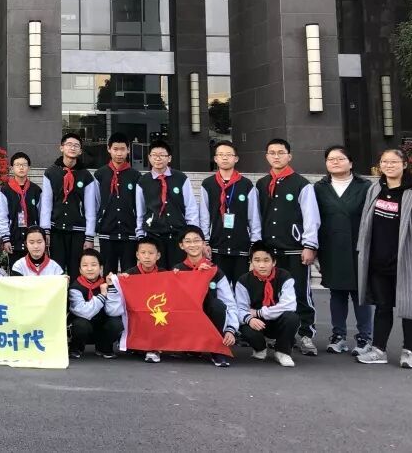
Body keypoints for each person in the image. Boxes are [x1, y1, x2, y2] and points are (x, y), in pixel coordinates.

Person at [356, 148, 412, 369]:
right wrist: (362, 249)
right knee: (382, 307)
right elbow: (365, 221)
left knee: (410, 308)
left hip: (407, 259)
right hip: (378, 260)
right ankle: (378, 350)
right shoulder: (375, 188)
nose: (388, 166)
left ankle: (409, 352)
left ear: (404, 165)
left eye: (394, 162)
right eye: (384, 162)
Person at [256, 137, 320, 354]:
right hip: (270, 251)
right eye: (272, 153)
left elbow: (311, 217)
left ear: (289, 156)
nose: (276, 156)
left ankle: (306, 334)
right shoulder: (262, 184)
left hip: (295, 249)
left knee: (300, 292)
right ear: (267, 156)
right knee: (273, 294)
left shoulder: (302, 184)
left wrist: (309, 245)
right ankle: (279, 334)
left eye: (280, 152)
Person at [314, 145, 373, 355]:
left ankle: (365, 337)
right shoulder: (319, 188)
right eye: (330, 159)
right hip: (331, 248)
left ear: (351, 162)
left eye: (340, 158)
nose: (335, 162)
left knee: (360, 294)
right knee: (336, 293)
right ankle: (338, 336)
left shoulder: (366, 187)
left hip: (358, 248)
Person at [173, 225, 240, 367]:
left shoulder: (215, 270)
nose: (193, 245)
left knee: (218, 306)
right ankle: (190, 345)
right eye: (188, 241)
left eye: (196, 240)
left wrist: (231, 329)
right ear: (181, 245)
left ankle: (216, 349)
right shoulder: (177, 270)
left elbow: (229, 303)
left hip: (209, 316)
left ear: (204, 244)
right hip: (188, 319)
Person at [199, 140, 261, 285]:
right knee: (218, 288)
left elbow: (253, 217)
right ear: (215, 159)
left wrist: (255, 244)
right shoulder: (208, 184)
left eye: (228, 154)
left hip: (241, 247)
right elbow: (204, 215)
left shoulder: (246, 184)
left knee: (242, 287)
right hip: (216, 246)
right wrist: (204, 241)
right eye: (220, 155)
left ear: (236, 158)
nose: (225, 158)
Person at [39, 133, 97, 278]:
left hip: (78, 231)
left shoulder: (86, 176)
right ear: (61, 148)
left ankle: (75, 294)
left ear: (80, 151)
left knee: (76, 271)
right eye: (69, 144)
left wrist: (89, 236)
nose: (72, 148)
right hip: (56, 230)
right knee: (56, 271)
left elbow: (90, 209)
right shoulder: (51, 173)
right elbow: (46, 204)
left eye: (76, 145)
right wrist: (45, 231)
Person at [234, 240, 299, 367]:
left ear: (274, 262)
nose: (262, 265)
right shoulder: (243, 281)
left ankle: (282, 352)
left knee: (292, 317)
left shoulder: (285, 276)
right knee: (245, 326)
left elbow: (289, 305)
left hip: (278, 320)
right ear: (251, 262)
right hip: (257, 323)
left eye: (266, 260)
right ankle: (260, 348)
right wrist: (249, 319)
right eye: (257, 260)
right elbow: (240, 308)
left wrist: (259, 312)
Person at [135, 139, 197, 270]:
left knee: (178, 273)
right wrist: (140, 235)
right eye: (154, 155)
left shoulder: (181, 178)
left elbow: (191, 207)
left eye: (162, 155)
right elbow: (140, 211)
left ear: (169, 158)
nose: (158, 158)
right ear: (149, 158)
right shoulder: (143, 182)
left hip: (178, 236)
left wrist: (192, 234)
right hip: (154, 236)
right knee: (158, 276)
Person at [92, 132, 140, 274]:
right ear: (109, 149)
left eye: (123, 149)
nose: (119, 153)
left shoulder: (135, 176)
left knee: (129, 274)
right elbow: (96, 203)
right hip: (107, 232)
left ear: (128, 150)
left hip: (129, 233)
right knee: (108, 273)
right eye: (115, 149)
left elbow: (139, 205)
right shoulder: (100, 175)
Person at [110, 236, 163, 363]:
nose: (147, 256)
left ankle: (153, 348)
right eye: (143, 253)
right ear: (137, 255)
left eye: (151, 253)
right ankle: (132, 342)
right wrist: (120, 281)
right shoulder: (129, 275)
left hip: (156, 312)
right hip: (135, 313)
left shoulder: (164, 274)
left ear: (158, 255)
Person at [67, 249, 124, 359]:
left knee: (116, 323)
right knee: (80, 324)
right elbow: (84, 312)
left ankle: (104, 348)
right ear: (80, 269)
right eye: (85, 265)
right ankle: (76, 348)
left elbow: (114, 312)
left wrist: (111, 287)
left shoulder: (106, 283)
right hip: (85, 328)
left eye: (93, 265)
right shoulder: (75, 287)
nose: (89, 269)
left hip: (102, 327)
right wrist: (102, 296)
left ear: (101, 268)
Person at [0, 152, 41, 260]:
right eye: (17, 165)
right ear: (12, 168)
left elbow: (41, 214)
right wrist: (5, 238)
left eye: (24, 165)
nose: (21, 167)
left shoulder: (36, 190)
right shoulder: (5, 190)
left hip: (33, 240)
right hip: (13, 238)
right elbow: (2, 215)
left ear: (29, 168)